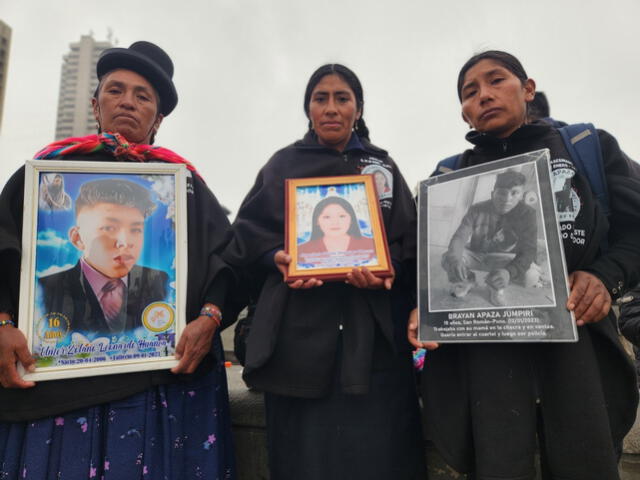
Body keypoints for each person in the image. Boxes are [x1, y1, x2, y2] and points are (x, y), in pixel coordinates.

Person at [0, 41, 235, 479]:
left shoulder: (184, 186)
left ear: (159, 118)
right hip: (55, 395)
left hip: (155, 390)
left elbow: (227, 263)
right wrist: (2, 323)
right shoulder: (46, 172)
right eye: (116, 90)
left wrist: (210, 317)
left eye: (143, 96)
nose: (128, 101)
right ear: (95, 103)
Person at [409, 50, 640, 480]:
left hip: (578, 349)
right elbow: (431, 256)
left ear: (527, 88)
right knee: (497, 464)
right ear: (463, 112)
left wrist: (605, 277)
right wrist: (425, 302)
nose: (484, 95)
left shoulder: (586, 147)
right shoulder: (449, 176)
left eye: (497, 80)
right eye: (470, 91)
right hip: (485, 361)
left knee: (585, 462)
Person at [224, 64, 424, 479]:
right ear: (308, 109)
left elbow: (409, 242)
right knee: (304, 460)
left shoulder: (382, 167)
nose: (331, 108)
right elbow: (245, 236)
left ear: (358, 108)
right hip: (298, 340)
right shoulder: (283, 165)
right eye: (321, 98)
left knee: (382, 456)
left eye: (342, 98)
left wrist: (390, 274)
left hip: (374, 343)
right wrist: (276, 256)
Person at [38, 178, 169, 335]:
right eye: (109, 228)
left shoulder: (161, 281)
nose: (125, 242)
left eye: (135, 230)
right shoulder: (45, 291)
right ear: (77, 238)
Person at [442, 169, 539, 307]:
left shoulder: (528, 214)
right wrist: (456, 260)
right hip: (476, 254)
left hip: (504, 259)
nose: (507, 199)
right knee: (448, 258)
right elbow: (459, 238)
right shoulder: (476, 209)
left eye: (514, 193)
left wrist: (509, 272)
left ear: (521, 195)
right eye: (502, 193)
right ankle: (467, 280)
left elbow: (529, 251)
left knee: (531, 276)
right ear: (493, 194)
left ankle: (496, 287)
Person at [297, 196, 376, 268]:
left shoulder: (373, 245)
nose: (335, 222)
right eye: (327, 217)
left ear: (351, 219)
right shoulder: (300, 251)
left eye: (342, 216)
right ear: (316, 221)